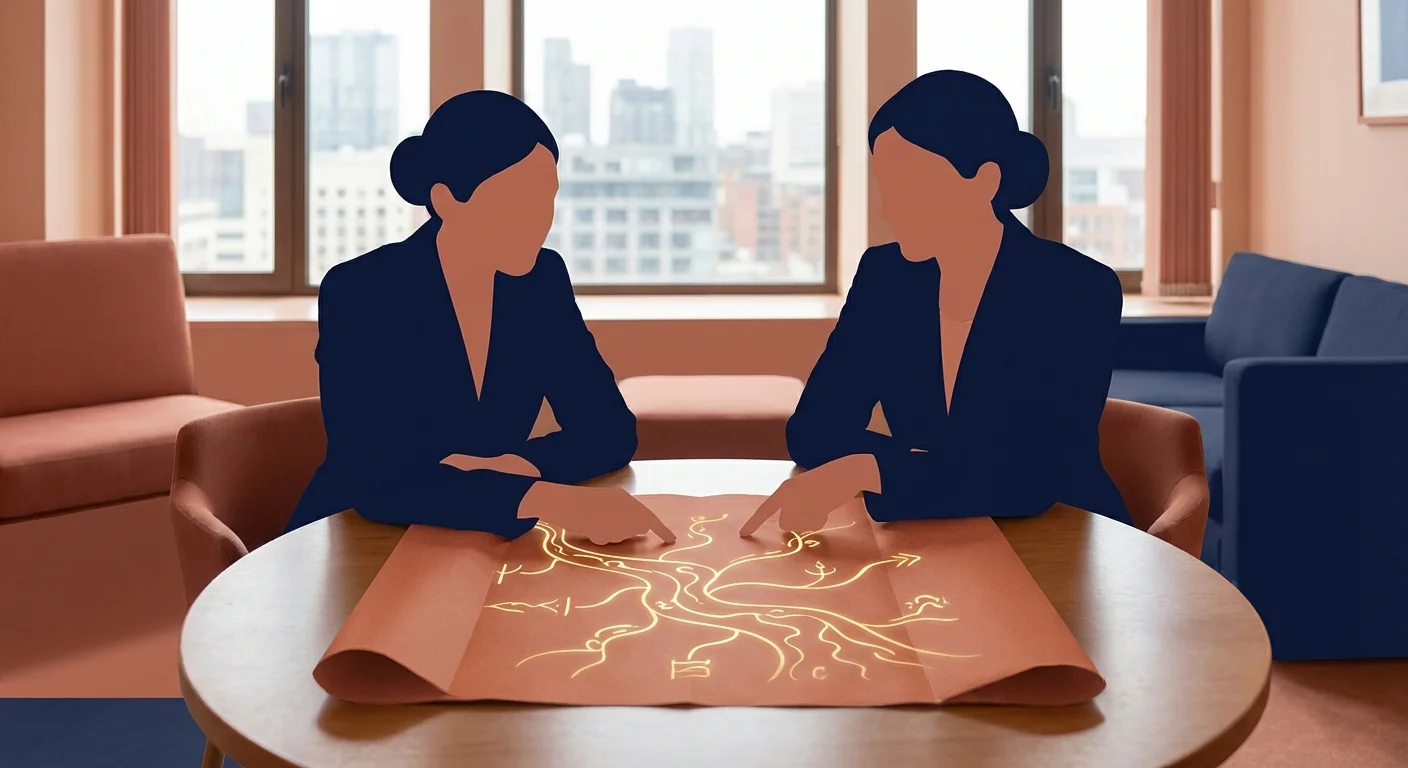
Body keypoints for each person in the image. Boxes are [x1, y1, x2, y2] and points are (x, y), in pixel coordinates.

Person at [741, 70, 1129, 537]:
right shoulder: (887, 277)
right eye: (887, 185)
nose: (890, 210)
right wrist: (927, 469)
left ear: (985, 180)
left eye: (912, 185)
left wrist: (870, 469)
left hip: (1059, 539)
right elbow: (813, 430)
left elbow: (1031, 479)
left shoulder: (1074, 289)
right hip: (930, 536)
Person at [288, 90, 674, 546]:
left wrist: (518, 465)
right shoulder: (365, 290)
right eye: (516, 199)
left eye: (547, 197)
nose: (539, 220)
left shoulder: (540, 281)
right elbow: (377, 479)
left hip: (480, 539)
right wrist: (544, 499)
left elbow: (609, 430)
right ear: (448, 199)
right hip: (360, 537)